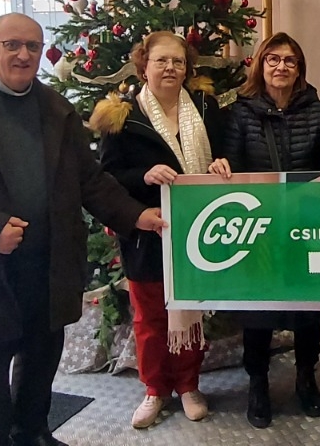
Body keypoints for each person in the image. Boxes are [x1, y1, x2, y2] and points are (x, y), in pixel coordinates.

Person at [0, 13, 165, 446]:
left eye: (32, 47)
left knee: (40, 363)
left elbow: (90, 179)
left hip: (48, 264)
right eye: (12, 45)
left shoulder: (54, 109)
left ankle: (32, 435)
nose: (23, 55)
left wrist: (134, 215)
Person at [92, 31, 227, 430]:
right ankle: (154, 390)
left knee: (192, 310)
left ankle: (188, 385)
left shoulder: (205, 106)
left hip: (197, 227)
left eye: (178, 62)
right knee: (150, 316)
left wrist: (222, 163)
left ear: (187, 68)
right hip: (146, 231)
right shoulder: (122, 115)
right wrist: (144, 175)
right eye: (161, 61)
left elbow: (224, 152)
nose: (170, 68)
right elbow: (107, 178)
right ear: (143, 65)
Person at [208, 32, 320, 429]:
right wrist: (220, 166)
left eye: (290, 61)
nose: (281, 67)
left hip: (305, 225)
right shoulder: (241, 112)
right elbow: (229, 157)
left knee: (307, 307)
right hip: (258, 226)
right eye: (273, 59)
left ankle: (306, 376)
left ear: (299, 69)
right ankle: (258, 383)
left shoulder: (318, 110)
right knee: (258, 310)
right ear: (261, 65)